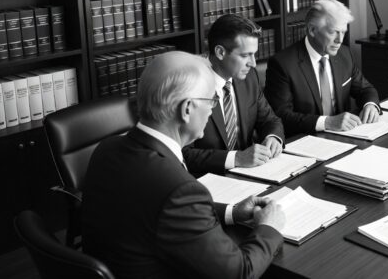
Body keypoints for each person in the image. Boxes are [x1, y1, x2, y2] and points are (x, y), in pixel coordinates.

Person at [82, 51, 285, 279]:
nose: (212, 110)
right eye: (212, 101)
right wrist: (270, 228)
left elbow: (156, 208)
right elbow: (240, 273)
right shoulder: (180, 190)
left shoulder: (106, 149)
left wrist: (231, 212)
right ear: (187, 109)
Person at [183, 14, 285, 176]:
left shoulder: (249, 77)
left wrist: (273, 138)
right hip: (210, 180)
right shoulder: (190, 87)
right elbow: (183, 154)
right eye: (245, 55)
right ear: (220, 52)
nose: (253, 63)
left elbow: (270, 119)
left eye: (254, 54)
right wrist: (235, 158)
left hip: (252, 174)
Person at [264, 0, 380, 136]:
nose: (340, 40)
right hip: (305, 140)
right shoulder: (282, 64)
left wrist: (371, 105)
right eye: (333, 32)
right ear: (312, 30)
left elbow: (365, 89)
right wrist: (327, 122)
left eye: (343, 32)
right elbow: (281, 116)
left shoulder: (344, 54)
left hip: (344, 137)